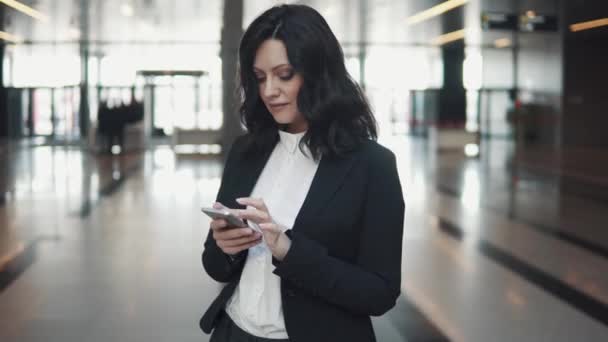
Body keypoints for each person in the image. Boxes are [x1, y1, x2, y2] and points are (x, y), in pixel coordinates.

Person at [200, 4, 405, 342]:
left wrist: (289, 251)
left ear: (318, 73)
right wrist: (225, 247)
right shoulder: (246, 152)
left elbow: (380, 292)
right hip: (232, 332)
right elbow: (213, 263)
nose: (269, 91)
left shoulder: (372, 165)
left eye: (284, 75)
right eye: (260, 77)